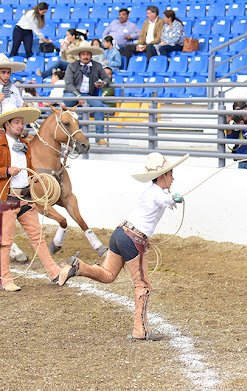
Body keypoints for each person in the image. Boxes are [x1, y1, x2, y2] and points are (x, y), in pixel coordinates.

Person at [59, 152, 189, 340]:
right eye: (170, 174)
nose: (173, 177)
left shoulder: (149, 192)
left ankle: (78, 267)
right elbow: (163, 199)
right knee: (142, 285)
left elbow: (159, 201)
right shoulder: (158, 194)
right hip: (133, 239)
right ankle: (140, 330)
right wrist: (174, 199)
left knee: (108, 275)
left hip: (120, 233)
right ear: (162, 176)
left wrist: (170, 199)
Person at [0, 103, 67, 291]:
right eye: (17, 122)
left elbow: (29, 169)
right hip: (6, 199)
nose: (21, 126)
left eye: (22, 122)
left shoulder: (26, 145)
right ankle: (5, 279)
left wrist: (35, 175)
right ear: (7, 125)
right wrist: (6, 170)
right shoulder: (0, 144)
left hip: (26, 198)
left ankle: (53, 272)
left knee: (37, 237)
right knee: (5, 241)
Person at [63, 42, 111, 145]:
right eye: (83, 54)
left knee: (99, 106)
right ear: (79, 55)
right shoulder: (71, 66)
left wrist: (102, 83)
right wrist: (78, 96)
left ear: (91, 55)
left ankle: (99, 138)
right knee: (70, 102)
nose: (85, 56)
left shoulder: (97, 66)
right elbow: (69, 85)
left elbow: (107, 78)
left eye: (88, 54)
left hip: (88, 95)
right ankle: (71, 137)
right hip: (72, 94)